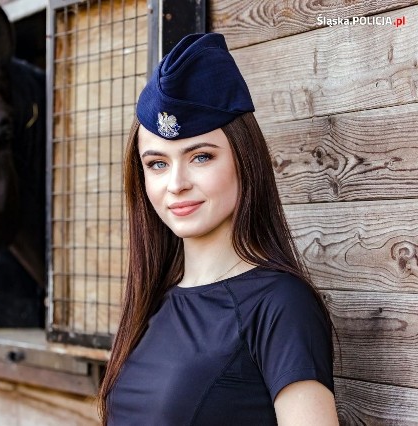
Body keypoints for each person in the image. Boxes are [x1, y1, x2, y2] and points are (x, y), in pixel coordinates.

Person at [97, 33, 339, 425]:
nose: (176, 183)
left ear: (245, 160)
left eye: (201, 157)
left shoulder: (280, 305)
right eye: (157, 163)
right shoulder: (153, 299)